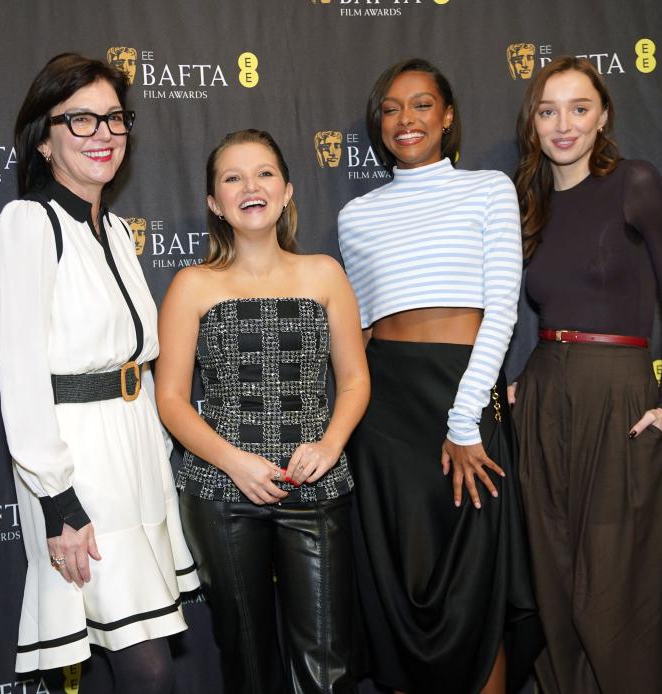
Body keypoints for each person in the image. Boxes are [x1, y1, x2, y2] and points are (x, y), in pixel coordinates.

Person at [0, 53, 198, 692]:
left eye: (113, 118)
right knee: (147, 668)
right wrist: (59, 503)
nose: (102, 133)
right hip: (78, 468)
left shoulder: (115, 233)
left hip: (136, 456)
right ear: (44, 140)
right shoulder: (29, 225)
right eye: (79, 120)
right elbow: (21, 376)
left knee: (147, 646)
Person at [337, 57, 543, 694]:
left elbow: (502, 308)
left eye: (422, 104)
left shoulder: (489, 190)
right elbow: (362, 330)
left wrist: (464, 417)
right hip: (386, 415)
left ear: (448, 116)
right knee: (399, 589)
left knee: (473, 590)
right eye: (392, 108)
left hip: (466, 396)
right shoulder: (357, 215)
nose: (406, 119)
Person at [155, 129, 370, 694]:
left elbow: (353, 380)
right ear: (214, 202)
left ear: (288, 189)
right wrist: (236, 464)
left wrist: (330, 444)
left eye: (264, 173)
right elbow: (171, 400)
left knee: (328, 667)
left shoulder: (324, 273)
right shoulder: (192, 285)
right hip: (223, 495)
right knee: (248, 664)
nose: (251, 186)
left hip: (317, 485)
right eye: (233, 177)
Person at [509, 56, 662, 694]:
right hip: (543, 391)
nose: (564, 124)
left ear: (603, 116)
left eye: (579, 108)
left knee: (616, 581)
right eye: (548, 110)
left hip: (619, 389)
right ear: (532, 123)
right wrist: (516, 383)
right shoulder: (524, 202)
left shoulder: (635, 182)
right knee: (552, 575)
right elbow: (510, 305)